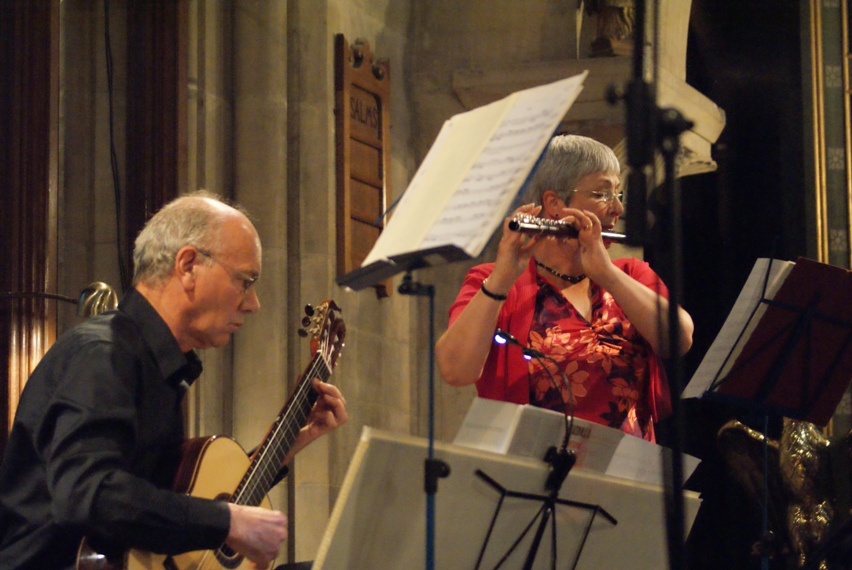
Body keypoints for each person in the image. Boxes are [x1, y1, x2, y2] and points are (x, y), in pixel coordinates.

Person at [0, 191, 348, 569]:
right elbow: (90, 494)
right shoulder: (102, 354)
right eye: (245, 281)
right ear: (188, 266)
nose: (253, 304)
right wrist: (226, 522)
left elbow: (163, 503)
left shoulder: (155, 367)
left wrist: (291, 441)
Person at [436, 134, 693, 442]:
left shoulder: (629, 275)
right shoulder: (493, 281)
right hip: (535, 463)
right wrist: (503, 277)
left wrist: (607, 274)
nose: (617, 209)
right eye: (602, 194)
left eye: (618, 194)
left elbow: (679, 339)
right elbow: (455, 371)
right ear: (554, 203)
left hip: (628, 464)